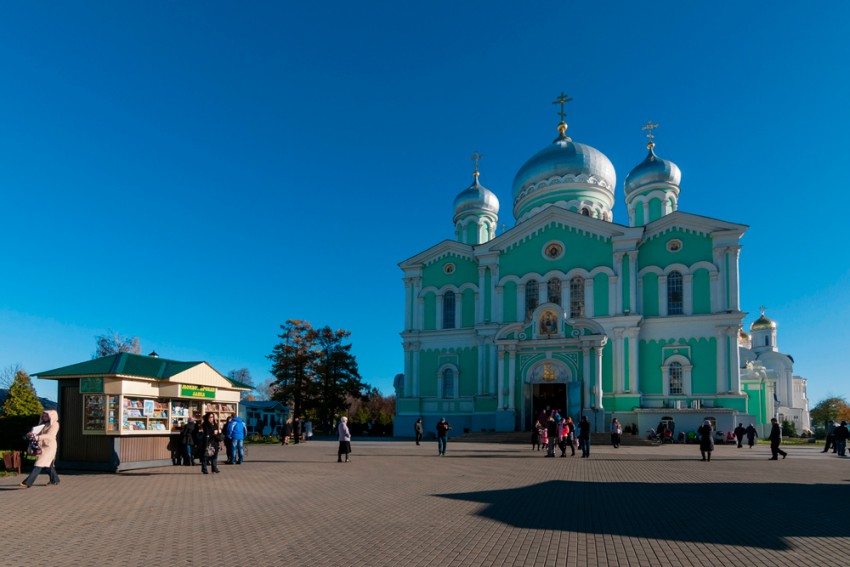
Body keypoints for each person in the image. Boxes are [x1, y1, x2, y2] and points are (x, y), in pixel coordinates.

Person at [19, 410, 60, 488]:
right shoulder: (42, 424)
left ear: (52, 416)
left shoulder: (55, 424)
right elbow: (36, 432)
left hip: (49, 447)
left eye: (46, 416)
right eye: (43, 416)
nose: (44, 417)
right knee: (48, 465)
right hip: (42, 446)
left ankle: (28, 482)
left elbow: (50, 435)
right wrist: (31, 434)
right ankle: (55, 480)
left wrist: (37, 437)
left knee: (39, 464)